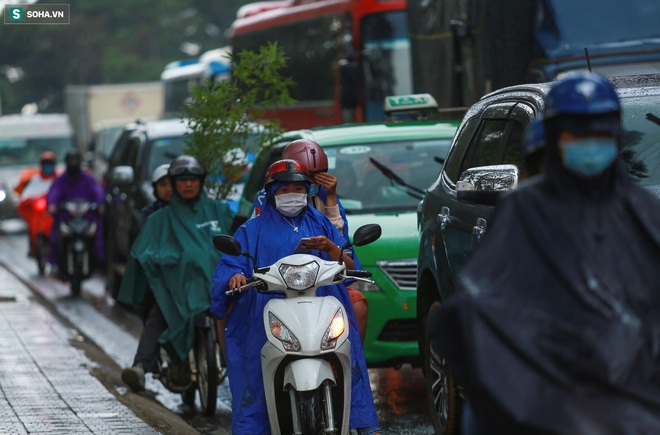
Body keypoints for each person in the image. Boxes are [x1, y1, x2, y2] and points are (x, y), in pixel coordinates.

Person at [426, 71, 660, 434]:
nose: (589, 144)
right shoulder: (524, 210)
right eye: (575, 134)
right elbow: (479, 300)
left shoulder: (643, 212)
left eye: (597, 132)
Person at [211, 159, 381, 435]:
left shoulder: (321, 223)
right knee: (254, 359)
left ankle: (360, 423)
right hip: (268, 308)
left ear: (307, 191)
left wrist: (330, 247)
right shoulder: (251, 230)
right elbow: (232, 264)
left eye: (298, 188)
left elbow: (350, 268)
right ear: (271, 193)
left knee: (348, 351)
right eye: (284, 188)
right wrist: (235, 277)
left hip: (320, 306)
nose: (292, 194)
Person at [118, 155, 234, 392]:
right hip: (176, 291)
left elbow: (238, 241)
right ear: (173, 183)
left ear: (200, 181)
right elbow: (142, 252)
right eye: (182, 180)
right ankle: (141, 365)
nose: (188, 184)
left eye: (193, 179)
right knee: (159, 314)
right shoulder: (157, 219)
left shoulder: (217, 210)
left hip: (216, 286)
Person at [253, 139, 370, 341]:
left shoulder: (325, 198)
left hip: (320, 278)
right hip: (279, 280)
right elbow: (253, 244)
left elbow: (341, 247)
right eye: (286, 189)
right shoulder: (266, 202)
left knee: (357, 303)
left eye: (321, 174)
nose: (316, 182)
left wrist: (331, 198)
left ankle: (349, 362)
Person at [46, 149, 105, 270]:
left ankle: (99, 262)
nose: (73, 164)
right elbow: (54, 193)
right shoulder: (61, 180)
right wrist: (53, 205)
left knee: (99, 236)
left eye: (75, 160)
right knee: (55, 237)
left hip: (86, 217)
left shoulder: (88, 179)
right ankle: (56, 263)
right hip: (67, 218)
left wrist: (100, 204)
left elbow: (97, 191)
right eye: (70, 161)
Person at [14, 151, 59, 257]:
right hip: (39, 215)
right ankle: (32, 248)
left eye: (50, 164)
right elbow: (24, 198)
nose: (48, 167)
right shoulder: (35, 180)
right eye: (45, 164)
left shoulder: (59, 179)